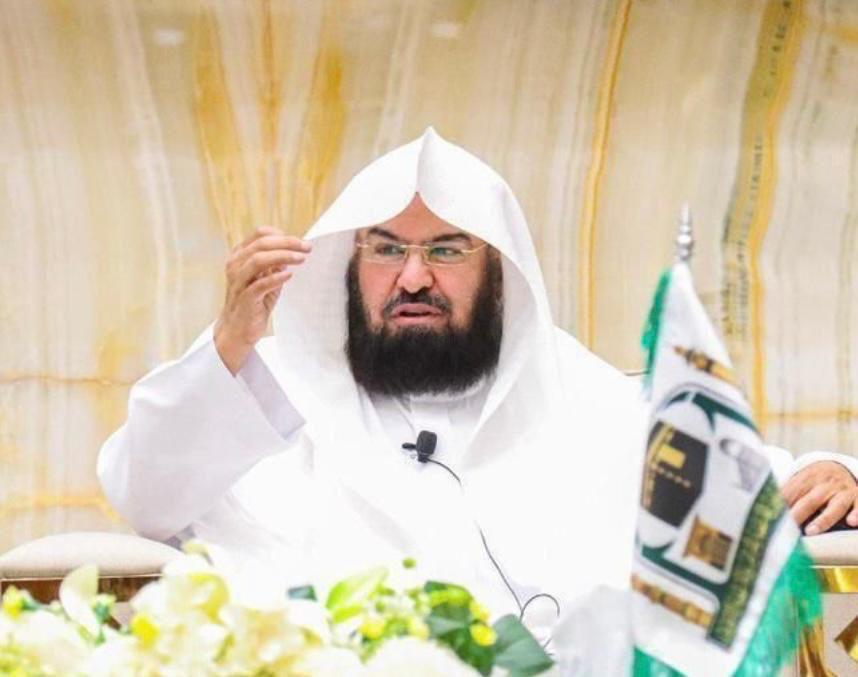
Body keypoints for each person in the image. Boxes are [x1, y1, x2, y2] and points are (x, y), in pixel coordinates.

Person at [97, 128, 857, 635]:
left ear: (500, 275)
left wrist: (835, 473)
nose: (413, 277)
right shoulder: (268, 387)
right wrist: (229, 341)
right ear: (348, 267)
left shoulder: (574, 390)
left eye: (447, 250)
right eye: (386, 250)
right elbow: (145, 491)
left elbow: (738, 476)